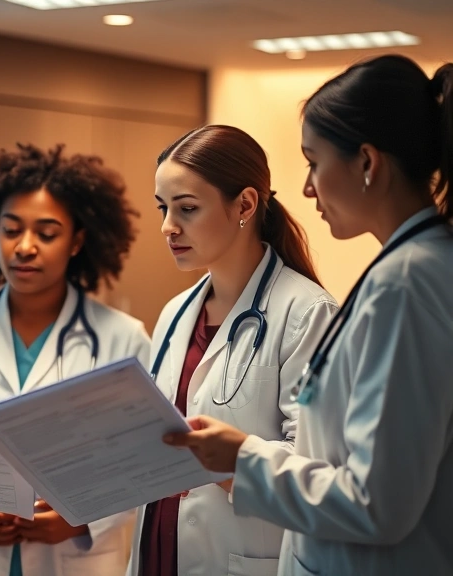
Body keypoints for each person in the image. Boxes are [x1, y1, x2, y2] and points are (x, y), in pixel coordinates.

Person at [164, 55, 453, 575]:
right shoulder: (407, 270)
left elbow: (376, 503)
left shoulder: (406, 284)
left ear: (367, 163)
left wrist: (243, 460)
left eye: (314, 162)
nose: (305, 188)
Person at [0, 143, 151, 576]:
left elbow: (142, 457)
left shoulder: (123, 339)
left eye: (46, 233)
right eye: (11, 230)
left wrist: (83, 517)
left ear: (77, 240)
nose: (24, 248)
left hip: (77, 558)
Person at [125, 124, 337, 576]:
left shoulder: (306, 313)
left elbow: (317, 464)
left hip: (242, 558)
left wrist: (234, 462)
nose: (168, 226)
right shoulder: (175, 313)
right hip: (159, 553)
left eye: (187, 208)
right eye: (163, 208)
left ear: (244, 204)